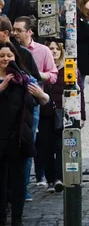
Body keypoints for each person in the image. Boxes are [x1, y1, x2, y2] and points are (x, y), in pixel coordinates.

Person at [0, 41, 49, 225]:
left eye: (9, 56)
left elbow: (44, 100)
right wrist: (2, 86)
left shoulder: (25, 78)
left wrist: (40, 94)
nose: (6, 59)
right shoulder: (3, 80)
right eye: (2, 56)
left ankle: (17, 219)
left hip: (19, 136)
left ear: (15, 57)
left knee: (19, 181)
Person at [41, 41, 85, 193]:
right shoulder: (43, 68)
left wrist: (82, 115)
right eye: (50, 49)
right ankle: (50, 179)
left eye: (56, 49)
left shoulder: (69, 68)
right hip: (45, 113)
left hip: (64, 113)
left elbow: (80, 92)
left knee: (61, 146)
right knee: (46, 147)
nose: (53, 52)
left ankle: (59, 178)